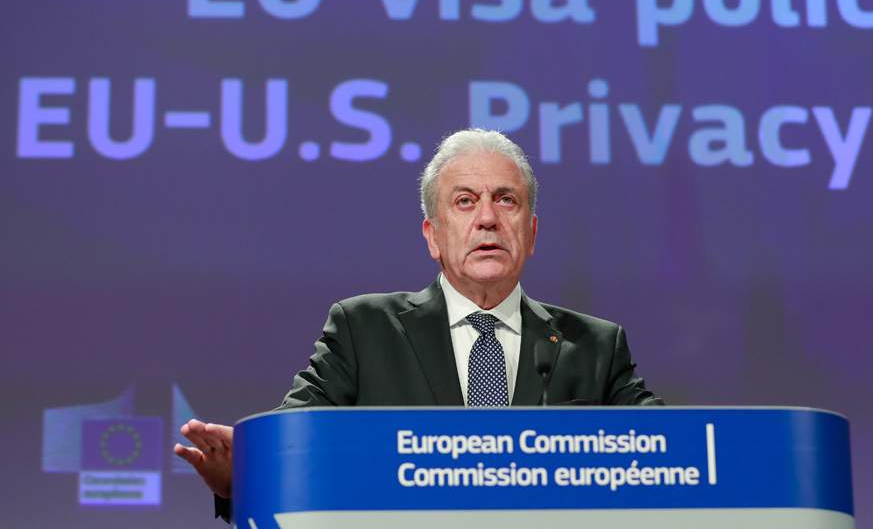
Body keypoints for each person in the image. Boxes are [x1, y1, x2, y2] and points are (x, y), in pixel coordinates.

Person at [174, 128, 662, 521]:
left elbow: (671, 453)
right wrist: (245, 474)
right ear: (433, 235)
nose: (487, 218)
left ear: (530, 233)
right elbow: (298, 443)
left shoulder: (596, 346)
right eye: (465, 201)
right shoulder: (363, 330)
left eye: (506, 200)